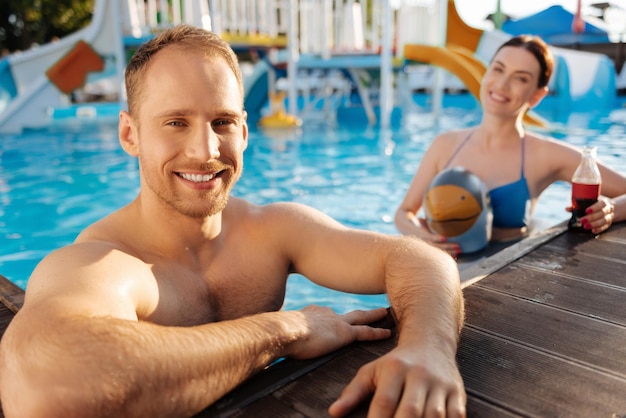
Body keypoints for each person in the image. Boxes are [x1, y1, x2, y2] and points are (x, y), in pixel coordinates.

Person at [0, 25, 466, 418]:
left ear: (244, 132)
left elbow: (416, 258)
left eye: (221, 122)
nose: (205, 151)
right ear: (130, 133)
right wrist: (286, 330)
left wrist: (428, 347)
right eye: (176, 122)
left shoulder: (272, 230)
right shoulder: (101, 262)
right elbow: (48, 387)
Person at [395, 34, 626, 257]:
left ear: (537, 95)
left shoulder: (546, 155)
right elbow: (404, 213)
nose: (502, 84)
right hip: (442, 269)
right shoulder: (445, 144)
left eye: (520, 78)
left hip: (504, 279)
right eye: (498, 69)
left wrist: (611, 210)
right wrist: (421, 236)